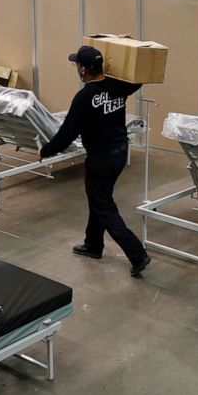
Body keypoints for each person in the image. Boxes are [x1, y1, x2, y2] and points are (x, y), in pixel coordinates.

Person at [39, 45, 152, 278]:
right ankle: (93, 244)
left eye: (76, 65)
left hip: (101, 159)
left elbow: (67, 133)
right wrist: (125, 50)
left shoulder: (84, 97)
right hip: (120, 153)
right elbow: (138, 79)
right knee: (99, 198)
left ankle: (137, 254)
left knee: (104, 206)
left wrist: (46, 151)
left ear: (82, 70)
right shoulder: (118, 85)